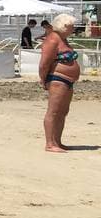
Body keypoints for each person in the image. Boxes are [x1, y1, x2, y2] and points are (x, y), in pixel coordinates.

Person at [38, 13, 80, 153]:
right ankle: (50, 143)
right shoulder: (52, 40)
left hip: (67, 80)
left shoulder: (63, 39)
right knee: (54, 111)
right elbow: (44, 64)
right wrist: (43, 79)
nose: (73, 29)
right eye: (71, 26)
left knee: (63, 111)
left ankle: (57, 141)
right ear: (64, 26)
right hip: (57, 79)